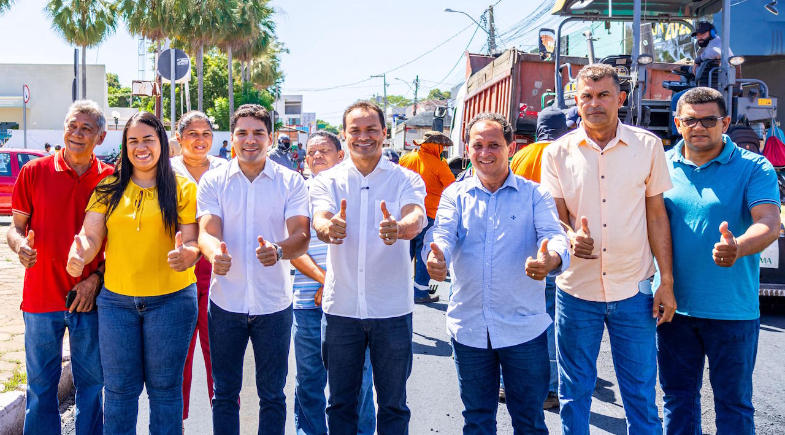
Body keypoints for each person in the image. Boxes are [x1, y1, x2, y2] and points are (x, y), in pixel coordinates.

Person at [540, 64, 676, 434]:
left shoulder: (647, 146)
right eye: (586, 96)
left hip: (633, 289)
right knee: (574, 391)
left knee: (640, 394)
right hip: (576, 290)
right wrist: (570, 237)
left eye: (603, 95)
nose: (594, 103)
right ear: (576, 101)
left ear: (621, 98)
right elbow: (556, 219)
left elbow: (656, 217)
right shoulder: (556, 153)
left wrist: (666, 282)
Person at [424, 112, 570, 434]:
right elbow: (442, 235)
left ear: (511, 146)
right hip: (470, 329)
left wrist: (552, 259)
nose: (485, 152)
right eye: (478, 145)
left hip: (523, 330)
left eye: (494, 144)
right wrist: (437, 259)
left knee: (530, 421)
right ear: (468, 147)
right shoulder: (455, 195)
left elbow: (555, 234)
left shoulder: (535, 195)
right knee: (477, 419)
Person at [66, 111, 200, 433]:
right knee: (119, 392)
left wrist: (188, 254)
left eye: (148, 140)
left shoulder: (183, 188)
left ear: (162, 143)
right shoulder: (108, 187)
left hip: (172, 301)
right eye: (133, 141)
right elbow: (91, 235)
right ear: (125, 146)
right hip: (116, 304)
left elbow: (193, 239)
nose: (141, 147)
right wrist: (80, 252)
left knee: (165, 392)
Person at [657, 87, 781, 435]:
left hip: (731, 310)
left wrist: (737, 246)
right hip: (672, 309)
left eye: (709, 119)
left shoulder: (753, 166)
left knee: (733, 403)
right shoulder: (660, 164)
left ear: (725, 122)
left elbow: (770, 222)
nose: (699, 127)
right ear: (678, 123)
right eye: (690, 120)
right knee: (678, 399)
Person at [310, 101, 426, 434]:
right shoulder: (327, 180)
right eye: (355, 131)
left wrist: (401, 228)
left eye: (371, 129)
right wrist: (327, 226)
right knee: (340, 404)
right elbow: (319, 216)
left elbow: (415, 216)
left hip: (392, 310)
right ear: (344, 135)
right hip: (341, 310)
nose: (364, 137)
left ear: (385, 133)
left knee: (393, 404)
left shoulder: (406, 178)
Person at [197, 104, 311, 434]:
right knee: (224, 395)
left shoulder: (291, 182)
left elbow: (301, 236)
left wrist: (279, 250)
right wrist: (214, 252)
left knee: (273, 396)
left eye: (258, 133)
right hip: (225, 303)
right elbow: (207, 229)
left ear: (270, 138)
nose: (250, 140)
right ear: (232, 139)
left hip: (274, 304)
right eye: (243, 133)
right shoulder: (214, 181)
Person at [8, 100, 111, 435]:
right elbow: (15, 227)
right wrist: (20, 245)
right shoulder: (34, 172)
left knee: (93, 388)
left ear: (101, 136)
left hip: (91, 302)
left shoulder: (111, 180)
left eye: (86, 128)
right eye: (71, 126)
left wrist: (96, 279)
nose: (77, 134)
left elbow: (122, 245)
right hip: (40, 300)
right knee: (39, 390)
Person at [291, 131, 376, 435]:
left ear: (341, 155)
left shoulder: (358, 188)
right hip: (306, 303)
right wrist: (326, 280)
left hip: (351, 304)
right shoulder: (296, 191)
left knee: (357, 383)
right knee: (309, 381)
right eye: (311, 152)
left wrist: (334, 286)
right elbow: (291, 249)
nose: (316, 156)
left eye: (324, 151)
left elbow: (367, 247)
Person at [508, 105, 569, 409]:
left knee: (517, 316)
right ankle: (549, 389)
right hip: (554, 253)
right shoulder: (566, 153)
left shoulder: (521, 154)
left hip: (520, 250)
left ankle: (508, 384)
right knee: (550, 321)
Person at [171, 110, 228, 427]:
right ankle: (174, 422)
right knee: (177, 357)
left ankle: (224, 422)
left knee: (219, 357)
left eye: (206, 133)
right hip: (174, 272)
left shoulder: (224, 169)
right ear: (179, 138)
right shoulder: (165, 170)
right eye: (192, 133)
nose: (200, 140)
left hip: (217, 272)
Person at [399, 130, 455, 304]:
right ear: (436, 146)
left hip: (405, 213)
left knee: (403, 253)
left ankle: (397, 289)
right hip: (429, 215)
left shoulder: (407, 159)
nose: (443, 149)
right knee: (423, 253)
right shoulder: (439, 165)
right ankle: (420, 293)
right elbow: (453, 188)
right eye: (442, 146)